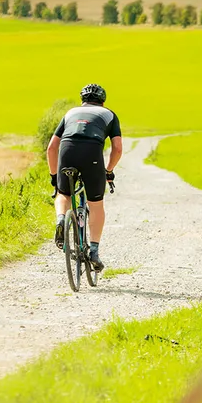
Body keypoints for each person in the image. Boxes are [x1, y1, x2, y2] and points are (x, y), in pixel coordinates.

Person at [47, 83, 123, 270]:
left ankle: (60, 220)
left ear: (82, 101)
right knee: (95, 203)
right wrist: (108, 170)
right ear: (103, 102)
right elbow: (118, 148)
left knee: (63, 194)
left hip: (68, 149)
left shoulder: (70, 113)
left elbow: (51, 148)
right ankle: (94, 252)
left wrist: (54, 176)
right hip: (92, 154)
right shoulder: (109, 115)